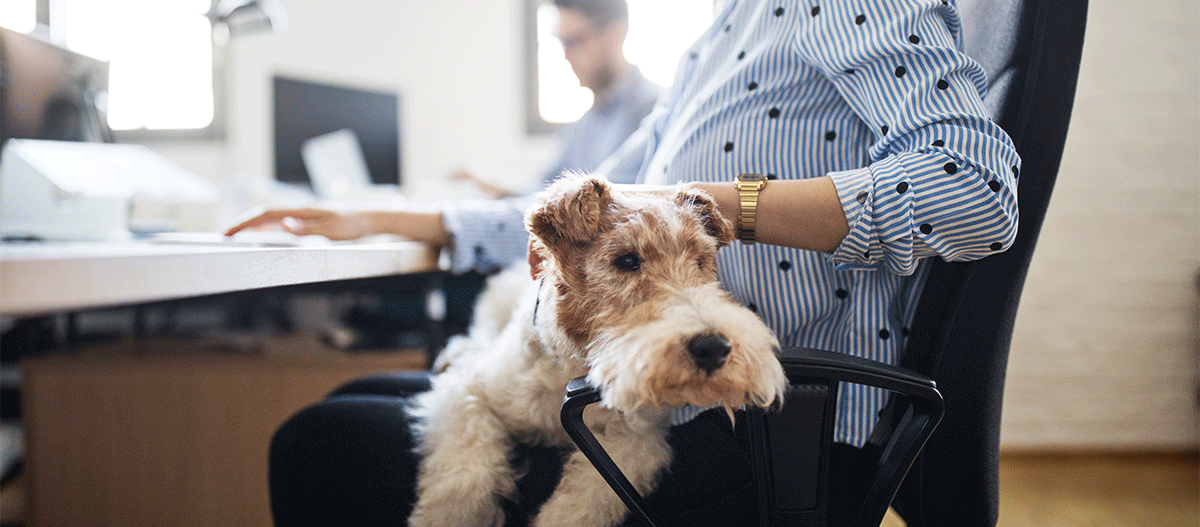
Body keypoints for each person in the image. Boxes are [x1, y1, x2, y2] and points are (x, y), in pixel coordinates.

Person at [245, 0, 1021, 525]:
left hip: (754, 434)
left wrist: (733, 207)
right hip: (639, 386)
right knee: (363, 391)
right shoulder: (718, 35)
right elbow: (590, 201)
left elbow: (980, 188)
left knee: (318, 439)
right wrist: (380, 217)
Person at [452, 0, 663, 199]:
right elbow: (545, 193)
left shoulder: (656, 111)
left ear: (616, 35)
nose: (566, 55)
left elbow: (602, 207)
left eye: (574, 41)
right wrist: (485, 182)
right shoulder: (584, 122)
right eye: (562, 43)